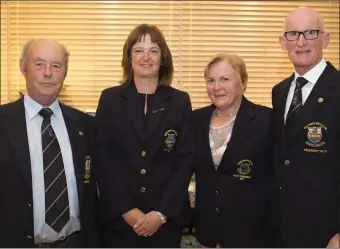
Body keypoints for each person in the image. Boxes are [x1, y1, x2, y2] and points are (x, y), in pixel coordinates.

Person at [94, 23, 194, 247]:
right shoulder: (110, 99)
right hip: (119, 223)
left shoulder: (180, 101)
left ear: (163, 58)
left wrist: (160, 214)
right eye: (138, 50)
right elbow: (102, 159)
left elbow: (185, 161)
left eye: (154, 50)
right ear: (129, 58)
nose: (146, 57)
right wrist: (126, 210)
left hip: (164, 224)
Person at [0, 39, 100, 247]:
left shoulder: (86, 126)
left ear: (65, 72)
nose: (48, 73)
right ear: (23, 67)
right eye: (39, 64)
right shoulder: (3, 122)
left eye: (56, 66)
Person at [272, 6, 340, 248]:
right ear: (283, 42)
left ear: (326, 39)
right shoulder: (279, 92)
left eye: (310, 32)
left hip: (327, 233)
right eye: (293, 34)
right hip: (281, 229)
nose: (301, 41)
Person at [192, 53, 274, 247]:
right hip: (207, 235)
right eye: (211, 80)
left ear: (243, 83)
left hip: (252, 236)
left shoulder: (267, 120)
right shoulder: (195, 120)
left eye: (225, 79)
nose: (216, 87)